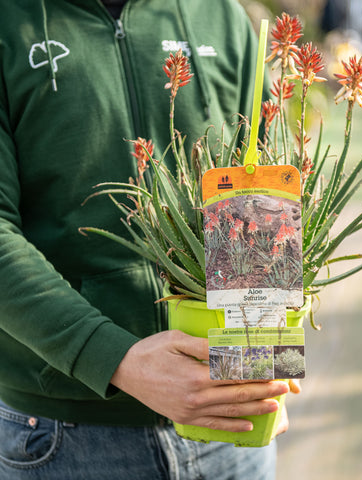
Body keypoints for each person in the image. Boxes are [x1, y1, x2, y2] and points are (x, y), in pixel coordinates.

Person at [0, 0, 298, 478]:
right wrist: (115, 358)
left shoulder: (220, 15)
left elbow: (260, 200)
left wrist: (263, 365)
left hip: (231, 431)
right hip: (64, 436)